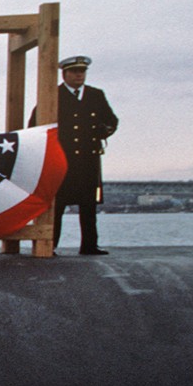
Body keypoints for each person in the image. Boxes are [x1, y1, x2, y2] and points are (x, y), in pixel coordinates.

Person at [48, 55, 120, 255]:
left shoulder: (95, 95)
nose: (79, 75)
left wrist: (103, 131)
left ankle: (89, 245)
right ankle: (50, 245)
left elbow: (112, 121)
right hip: (62, 158)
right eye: (75, 72)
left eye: (82, 71)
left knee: (89, 204)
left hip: (89, 159)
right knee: (58, 204)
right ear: (65, 74)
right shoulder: (54, 95)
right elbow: (36, 124)